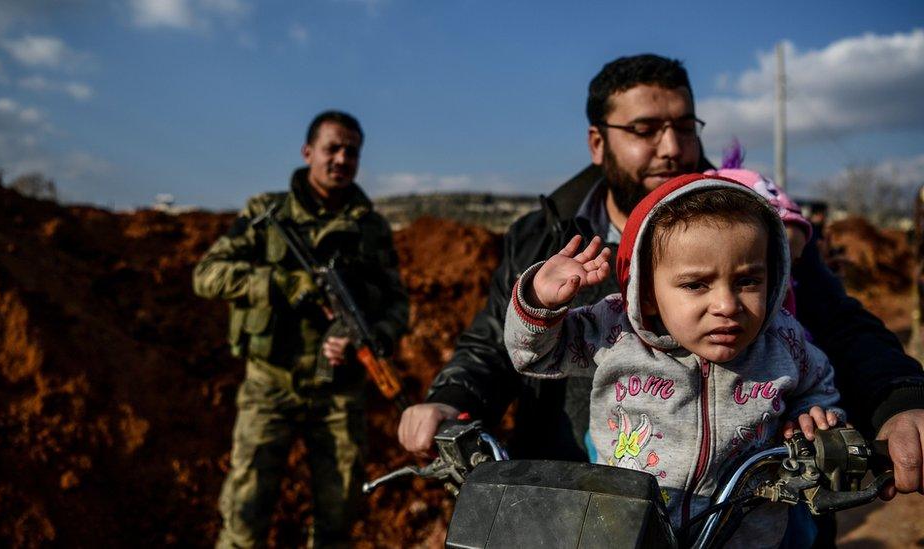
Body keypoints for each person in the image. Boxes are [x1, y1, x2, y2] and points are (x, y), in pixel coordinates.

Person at [398, 54, 924, 503]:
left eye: (684, 126)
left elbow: (840, 327)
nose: (672, 147)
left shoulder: (750, 227)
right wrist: (451, 397)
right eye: (645, 130)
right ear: (597, 142)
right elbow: (495, 340)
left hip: (737, 513)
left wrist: (900, 398)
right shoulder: (544, 237)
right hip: (571, 494)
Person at [504, 174, 844, 546]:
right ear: (646, 293)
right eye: (696, 285)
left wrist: (812, 412)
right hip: (625, 532)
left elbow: (818, 385)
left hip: (743, 537)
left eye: (748, 281)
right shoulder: (616, 331)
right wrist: (540, 300)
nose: (727, 305)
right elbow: (533, 356)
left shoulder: (782, 340)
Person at [194, 111, 409, 548]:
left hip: (339, 391)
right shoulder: (265, 213)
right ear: (308, 152)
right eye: (332, 148)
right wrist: (279, 283)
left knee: (340, 513)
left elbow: (397, 303)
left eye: (351, 151)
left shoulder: (371, 229)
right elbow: (207, 274)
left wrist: (369, 338)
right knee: (244, 512)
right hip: (269, 383)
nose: (342, 159)